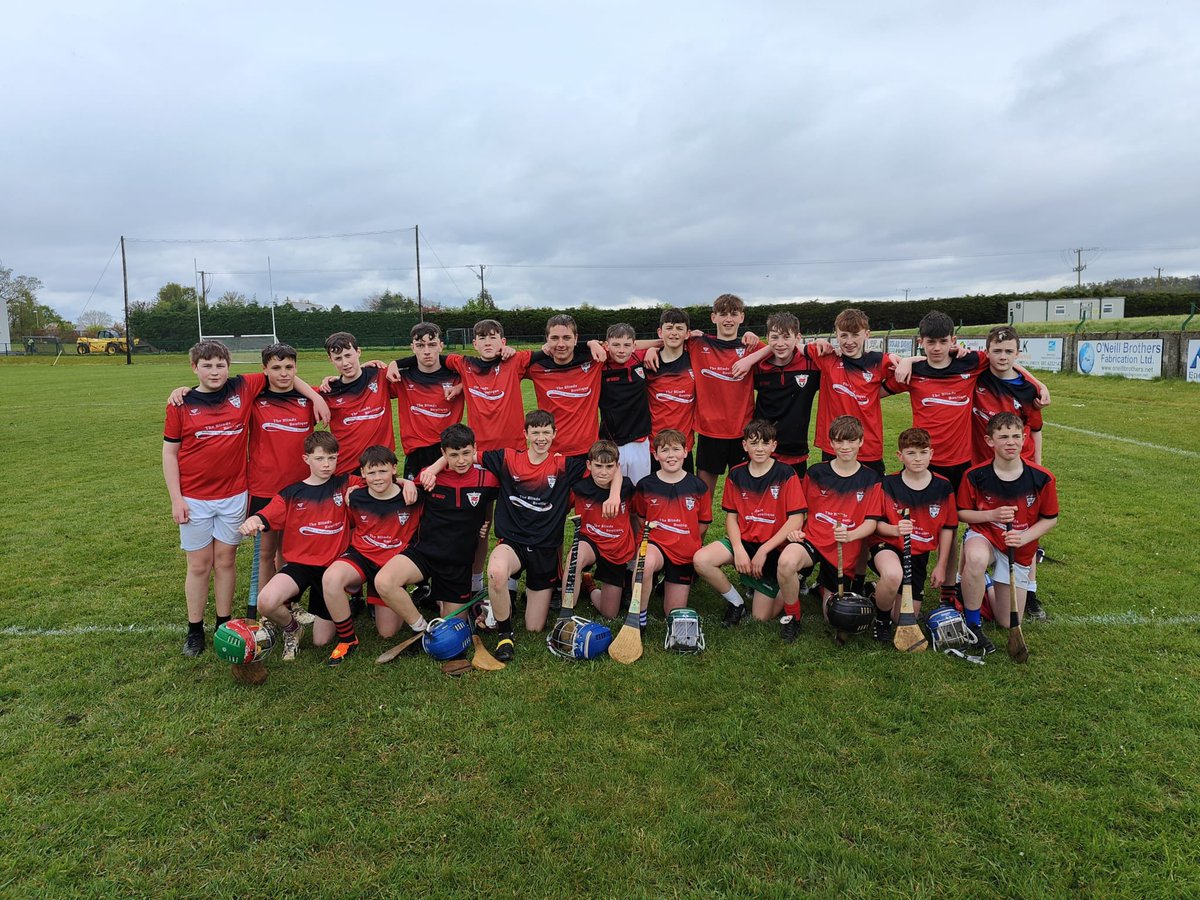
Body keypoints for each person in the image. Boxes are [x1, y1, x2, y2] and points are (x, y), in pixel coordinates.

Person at [889, 311, 1049, 609]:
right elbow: (878, 379)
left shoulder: (970, 363)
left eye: (943, 342)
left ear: (954, 341)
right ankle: (908, 582)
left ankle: (953, 589)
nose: (936, 348)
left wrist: (1039, 384)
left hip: (962, 464)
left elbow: (1008, 361)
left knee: (954, 525)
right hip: (923, 463)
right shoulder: (914, 370)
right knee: (917, 525)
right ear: (920, 342)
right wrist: (907, 360)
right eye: (930, 342)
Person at [165, 342, 330, 609]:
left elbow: (329, 384)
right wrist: (183, 390)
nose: (284, 373)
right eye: (276, 368)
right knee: (264, 552)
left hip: (300, 488)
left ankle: (285, 604)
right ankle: (267, 609)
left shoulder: (304, 398)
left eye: (289, 367)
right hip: (262, 489)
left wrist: (317, 396)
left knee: (287, 552)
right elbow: (272, 375)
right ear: (265, 370)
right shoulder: (253, 397)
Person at [375, 424, 500, 647]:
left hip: (457, 564)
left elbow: (501, 500)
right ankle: (421, 627)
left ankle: (459, 605)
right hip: (424, 554)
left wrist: (486, 523)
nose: (461, 460)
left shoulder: (488, 479)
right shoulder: (430, 478)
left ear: (475, 449)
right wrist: (404, 483)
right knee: (384, 582)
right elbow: (394, 486)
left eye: (466, 453)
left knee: (452, 633)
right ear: (443, 454)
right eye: (453, 455)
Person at [236, 432, 352, 661]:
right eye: (319, 459)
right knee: (266, 601)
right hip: (299, 566)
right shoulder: (291, 493)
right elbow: (266, 514)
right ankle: (292, 628)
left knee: (321, 641)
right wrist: (253, 520)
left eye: (332, 458)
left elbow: (380, 482)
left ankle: (333, 610)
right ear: (306, 459)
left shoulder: (346, 483)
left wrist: (403, 482)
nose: (327, 464)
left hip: (330, 571)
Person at [957, 413, 1059, 653]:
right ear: (989, 441)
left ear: (1024, 439)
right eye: (1003, 437)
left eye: (1015, 436)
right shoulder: (975, 475)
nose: (1010, 442)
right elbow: (962, 513)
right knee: (975, 558)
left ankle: (987, 584)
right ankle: (973, 624)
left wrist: (1024, 537)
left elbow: (1050, 519)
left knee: (1007, 621)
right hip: (986, 536)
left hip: (1019, 548)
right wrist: (991, 515)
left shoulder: (1042, 477)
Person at [969, 324, 1051, 619]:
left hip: (1021, 465)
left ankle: (1029, 593)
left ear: (1018, 353)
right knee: (985, 523)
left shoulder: (1029, 389)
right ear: (986, 350)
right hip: (984, 467)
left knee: (1025, 529)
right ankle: (979, 578)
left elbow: (1036, 429)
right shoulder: (976, 376)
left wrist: (1037, 468)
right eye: (997, 350)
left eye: (1009, 352)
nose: (1002, 356)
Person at [779, 415, 884, 642]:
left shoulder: (871, 478)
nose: (845, 447)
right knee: (786, 562)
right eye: (839, 441)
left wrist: (850, 534)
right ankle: (792, 617)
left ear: (861, 442)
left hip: (843, 548)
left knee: (836, 619)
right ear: (831, 443)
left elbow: (871, 522)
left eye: (850, 441)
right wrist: (796, 530)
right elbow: (799, 510)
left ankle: (821, 589)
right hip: (813, 540)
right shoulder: (816, 473)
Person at [693, 420, 807, 627]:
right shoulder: (736, 474)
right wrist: (738, 549)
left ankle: (788, 581)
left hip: (774, 548)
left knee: (761, 617)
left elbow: (796, 519)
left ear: (774, 446)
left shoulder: (785, 474)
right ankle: (737, 603)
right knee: (701, 559)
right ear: (745, 445)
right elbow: (731, 517)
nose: (760, 449)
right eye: (754, 443)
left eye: (765, 443)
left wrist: (764, 550)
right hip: (745, 542)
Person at [319, 445, 421, 666]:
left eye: (383, 471)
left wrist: (408, 481)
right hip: (362, 556)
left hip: (391, 566)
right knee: (331, 578)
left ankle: (389, 596)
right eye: (371, 472)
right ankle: (348, 639)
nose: (377, 478)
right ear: (362, 474)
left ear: (394, 469)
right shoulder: (356, 497)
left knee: (388, 633)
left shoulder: (412, 496)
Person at [867, 428, 957, 641]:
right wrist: (895, 529)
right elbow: (876, 525)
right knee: (892, 574)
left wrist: (941, 565)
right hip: (888, 545)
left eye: (923, 452)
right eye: (911, 453)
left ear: (931, 454)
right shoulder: (888, 484)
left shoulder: (943, 487)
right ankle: (881, 622)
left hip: (918, 555)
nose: (918, 459)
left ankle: (873, 592)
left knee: (905, 617)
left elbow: (948, 528)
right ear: (900, 456)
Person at [634, 429, 713, 620]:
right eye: (665, 450)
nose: (671, 455)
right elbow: (642, 518)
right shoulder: (645, 485)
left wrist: (687, 540)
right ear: (655, 454)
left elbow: (703, 524)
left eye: (676, 449)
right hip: (656, 545)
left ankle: (663, 582)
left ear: (686, 452)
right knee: (644, 565)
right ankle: (639, 617)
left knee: (672, 614)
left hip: (683, 553)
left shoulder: (698, 487)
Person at [567, 440, 637, 618]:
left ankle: (589, 586)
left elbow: (638, 515)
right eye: (598, 466)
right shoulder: (579, 487)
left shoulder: (627, 487)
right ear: (589, 465)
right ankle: (566, 613)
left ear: (617, 467)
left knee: (610, 613)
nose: (603, 472)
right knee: (574, 558)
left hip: (616, 549)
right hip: (590, 541)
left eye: (609, 466)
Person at [747, 312, 821, 478]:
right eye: (774, 337)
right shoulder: (757, 365)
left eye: (786, 337)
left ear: (798, 337)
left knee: (795, 502)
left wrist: (891, 359)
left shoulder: (812, 365)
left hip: (795, 448)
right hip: (762, 446)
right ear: (767, 338)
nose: (780, 344)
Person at [525, 314, 606, 460]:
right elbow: (503, 362)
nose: (561, 344)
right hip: (549, 452)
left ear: (576, 339)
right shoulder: (536, 368)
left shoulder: (594, 360)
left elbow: (625, 344)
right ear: (547, 339)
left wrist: (656, 346)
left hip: (587, 451)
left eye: (567, 338)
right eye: (555, 338)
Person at [391, 322, 464, 480]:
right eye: (420, 345)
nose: (426, 351)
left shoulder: (457, 376)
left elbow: (487, 374)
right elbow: (363, 380)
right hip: (416, 453)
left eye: (432, 344)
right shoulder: (401, 378)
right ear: (412, 347)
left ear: (441, 346)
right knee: (415, 502)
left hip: (449, 451)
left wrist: (461, 386)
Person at [321, 331, 398, 475]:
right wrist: (315, 397)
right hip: (347, 469)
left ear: (358, 352)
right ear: (330, 360)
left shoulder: (380, 375)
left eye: (348, 355)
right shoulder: (328, 391)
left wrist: (395, 363)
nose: (345, 363)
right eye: (338, 358)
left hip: (381, 465)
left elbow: (419, 373)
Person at [599, 323, 653, 487]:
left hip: (640, 440)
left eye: (627, 345)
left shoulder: (640, 358)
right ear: (607, 345)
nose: (621, 350)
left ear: (634, 346)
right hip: (613, 442)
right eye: (616, 345)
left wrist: (653, 348)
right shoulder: (599, 363)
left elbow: (668, 342)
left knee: (639, 492)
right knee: (614, 492)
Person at [643, 308, 697, 471]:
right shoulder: (649, 362)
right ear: (660, 332)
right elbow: (624, 345)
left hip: (682, 448)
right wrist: (652, 348)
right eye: (669, 328)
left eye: (680, 328)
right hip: (655, 447)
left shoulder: (695, 359)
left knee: (683, 495)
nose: (674, 333)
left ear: (687, 333)